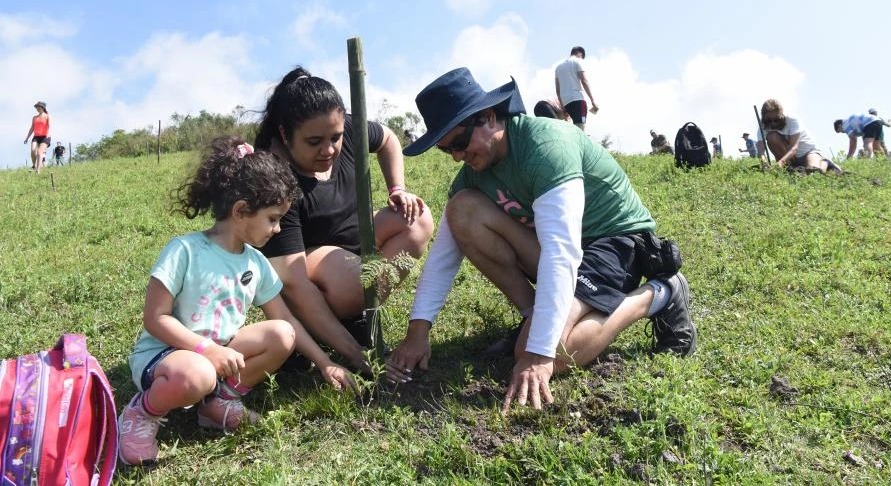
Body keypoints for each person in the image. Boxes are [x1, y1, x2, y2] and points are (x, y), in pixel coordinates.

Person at [387, 68, 695, 413]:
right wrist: (417, 333)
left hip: (616, 242)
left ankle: (660, 294)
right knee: (462, 210)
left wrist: (537, 354)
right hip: (567, 252)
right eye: (448, 151)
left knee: (553, 352)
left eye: (459, 143)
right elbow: (443, 258)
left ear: (488, 118)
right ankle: (536, 316)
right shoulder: (473, 176)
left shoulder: (546, 146)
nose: (458, 157)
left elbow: (562, 253)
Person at [118, 137, 356, 467]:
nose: (277, 229)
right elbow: (155, 319)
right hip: (167, 356)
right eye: (273, 219)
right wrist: (206, 350)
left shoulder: (256, 263)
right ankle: (141, 413)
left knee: (281, 335)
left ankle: (218, 403)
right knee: (197, 374)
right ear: (241, 211)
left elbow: (286, 321)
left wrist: (324, 362)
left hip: (219, 353)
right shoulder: (185, 250)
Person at [254, 66, 434, 372]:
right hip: (308, 268)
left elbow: (388, 139)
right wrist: (355, 353)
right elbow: (292, 282)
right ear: (285, 135)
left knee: (417, 219)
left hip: (356, 239)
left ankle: (354, 317)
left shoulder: (345, 129)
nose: (329, 149)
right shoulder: (274, 177)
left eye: (335, 137)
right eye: (314, 142)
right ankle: (331, 328)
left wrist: (397, 189)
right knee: (353, 281)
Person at [759, 99, 839, 173]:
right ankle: (790, 168)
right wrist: (763, 160)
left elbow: (794, 148)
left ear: (782, 114)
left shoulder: (792, 120)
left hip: (808, 152)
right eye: (769, 120)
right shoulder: (763, 125)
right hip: (792, 159)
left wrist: (780, 163)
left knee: (814, 171)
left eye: (776, 119)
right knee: (772, 137)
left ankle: (825, 163)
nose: (773, 123)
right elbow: (761, 148)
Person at [555, 46, 599, 131]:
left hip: (566, 102)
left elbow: (558, 90)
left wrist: (563, 106)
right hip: (577, 99)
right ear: (580, 54)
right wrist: (593, 100)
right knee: (580, 128)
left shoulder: (558, 67)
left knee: (575, 128)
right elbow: (584, 81)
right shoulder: (577, 61)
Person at [23, 101, 51, 172]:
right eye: (36, 107)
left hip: (45, 137)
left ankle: (38, 170)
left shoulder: (47, 116)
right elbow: (32, 128)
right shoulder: (35, 117)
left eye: (38, 107)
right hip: (36, 137)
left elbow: (49, 126)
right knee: (33, 151)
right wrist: (27, 138)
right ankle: (34, 165)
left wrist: (48, 134)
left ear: (42, 107)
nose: (37, 108)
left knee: (39, 153)